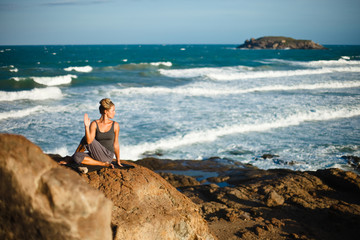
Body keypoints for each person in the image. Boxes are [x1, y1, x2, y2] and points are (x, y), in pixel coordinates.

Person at [72, 98, 122, 168]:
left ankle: (103, 163)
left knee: (86, 137)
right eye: (113, 110)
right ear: (105, 111)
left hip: (108, 156)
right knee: (76, 157)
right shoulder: (94, 124)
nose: (114, 112)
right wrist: (86, 127)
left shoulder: (115, 125)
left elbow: (116, 144)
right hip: (96, 154)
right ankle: (102, 164)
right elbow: (89, 141)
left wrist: (118, 160)